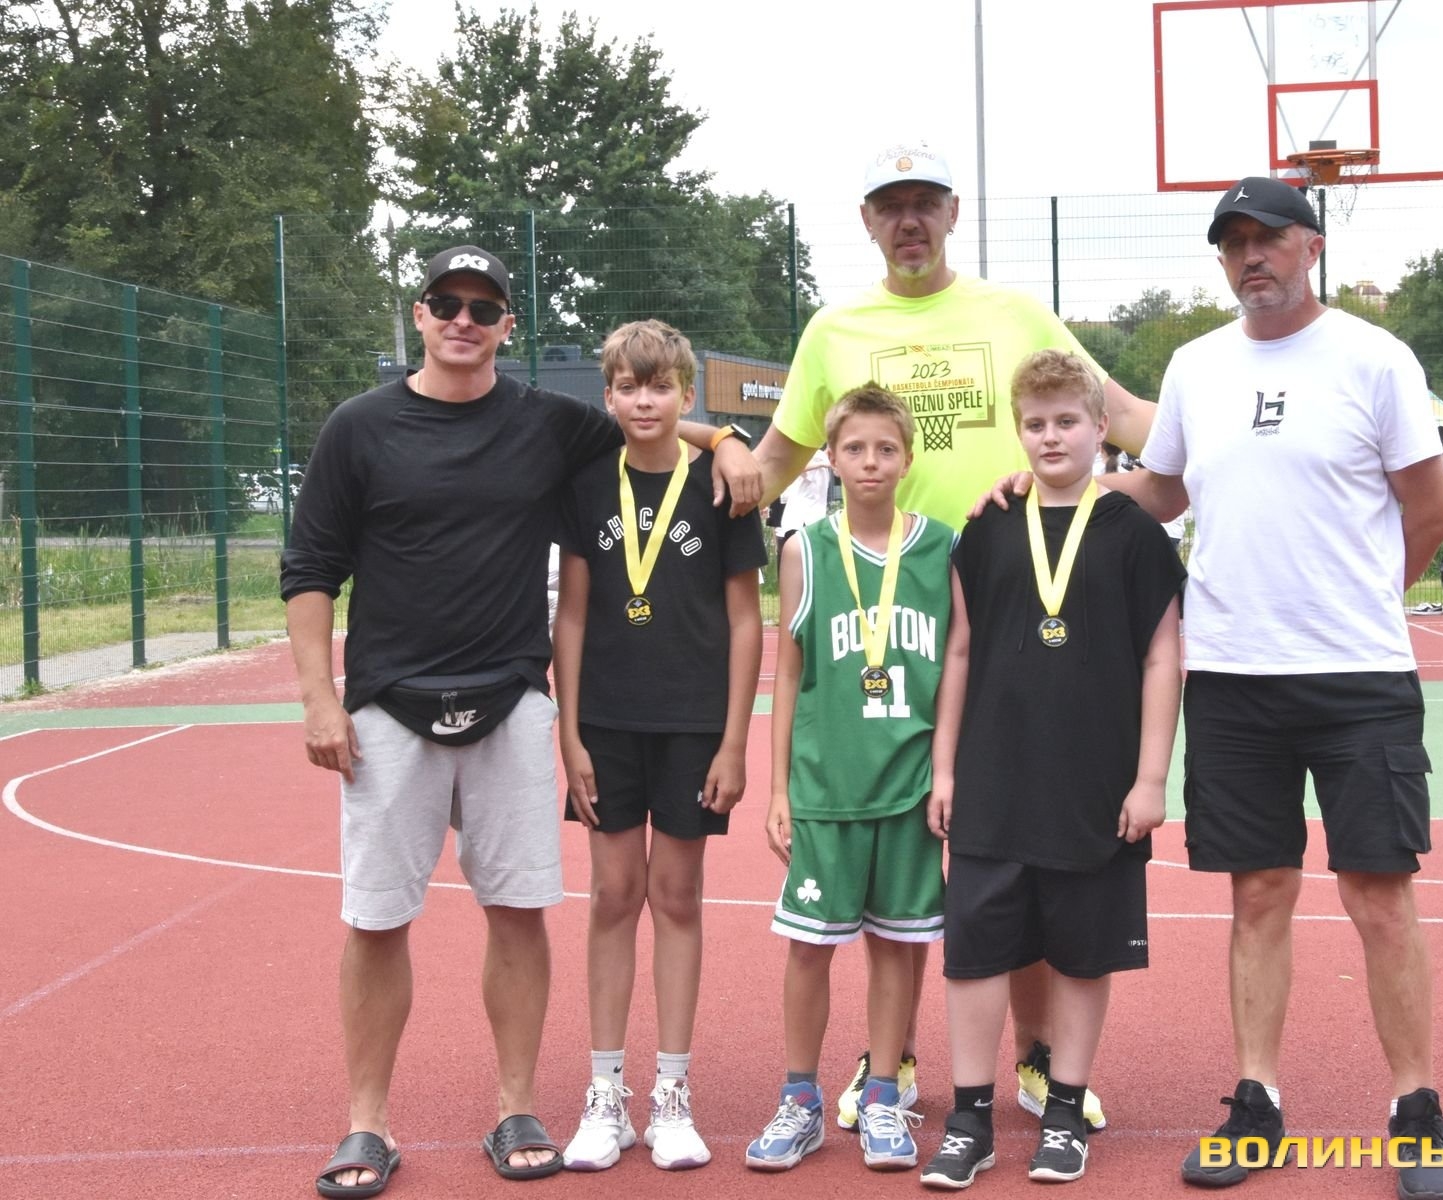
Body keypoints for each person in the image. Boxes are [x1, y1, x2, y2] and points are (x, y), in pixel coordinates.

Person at [284, 246, 759, 1199]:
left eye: (483, 307)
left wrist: (730, 440)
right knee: (377, 920)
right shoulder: (358, 426)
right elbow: (309, 569)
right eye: (447, 303)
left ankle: (516, 1107)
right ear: (419, 315)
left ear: (508, 325)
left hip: (508, 700)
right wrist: (318, 698)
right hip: (387, 707)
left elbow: (651, 419)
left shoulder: (546, 422)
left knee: (517, 912)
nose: (464, 319)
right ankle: (366, 1122)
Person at [753, 137, 1159, 1134]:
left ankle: (1034, 1056)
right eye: (891, 204)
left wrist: (1244, 429)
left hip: (1010, 619)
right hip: (880, 628)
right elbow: (769, 465)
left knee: (1023, 843)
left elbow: (1123, 419)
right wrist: (695, 446)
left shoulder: (1016, 315)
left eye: (925, 200)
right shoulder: (833, 330)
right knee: (895, 845)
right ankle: (886, 1058)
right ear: (866, 220)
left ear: (953, 211)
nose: (910, 220)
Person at [1108, 177, 1443, 1199]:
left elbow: (1430, 511)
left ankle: (1416, 1107)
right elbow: (1163, 489)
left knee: (1379, 894)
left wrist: (1359, 602)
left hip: (1359, 678)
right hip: (1232, 677)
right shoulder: (1196, 366)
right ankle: (1255, 1100)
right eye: (1232, 243)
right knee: (1257, 893)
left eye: (1267, 237)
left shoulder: (1375, 359)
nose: (1250, 256)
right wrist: (1065, 489)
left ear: (1311, 246)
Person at [921, 350, 1182, 1188]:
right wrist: (944, 769)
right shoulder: (989, 527)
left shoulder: (1134, 533)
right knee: (974, 953)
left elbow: (1162, 659)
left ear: (1102, 429)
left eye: (1067, 421)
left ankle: (1064, 1109)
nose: (1051, 437)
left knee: (1080, 954)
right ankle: (970, 1119)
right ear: (1018, 431)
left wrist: (1151, 779)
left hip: (1095, 784)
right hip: (993, 777)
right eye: (1035, 424)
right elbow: (960, 650)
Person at [553, 320, 765, 1172]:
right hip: (605, 723)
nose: (645, 401)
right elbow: (571, 614)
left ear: (687, 394)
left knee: (677, 896)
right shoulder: (585, 481)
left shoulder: (722, 484)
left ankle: (672, 1092)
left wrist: (735, 742)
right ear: (608, 395)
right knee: (612, 894)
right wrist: (568, 734)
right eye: (629, 387)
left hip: (692, 724)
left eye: (661, 387)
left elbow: (746, 620)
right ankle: (605, 1092)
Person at [745, 384, 957, 1173]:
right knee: (809, 948)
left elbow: (957, 666)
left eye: (885, 448)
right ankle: (799, 1098)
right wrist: (778, 789)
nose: (871, 462)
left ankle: (882, 1096)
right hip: (826, 790)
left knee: (897, 948)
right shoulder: (804, 549)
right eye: (855, 448)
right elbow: (789, 677)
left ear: (908, 457)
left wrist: (945, 770)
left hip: (907, 789)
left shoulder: (942, 549)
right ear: (830, 458)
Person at [775, 447, 833, 553]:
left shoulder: (825, 461)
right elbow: (798, 468)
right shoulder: (817, 456)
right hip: (801, 521)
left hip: (813, 519)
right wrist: (822, 464)